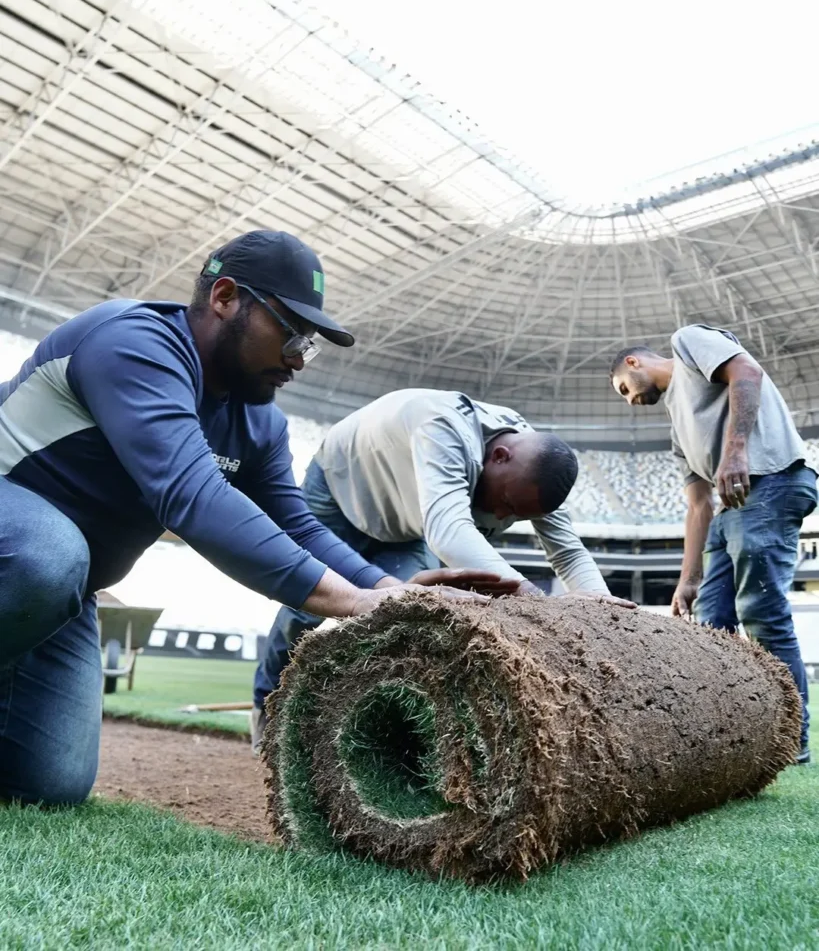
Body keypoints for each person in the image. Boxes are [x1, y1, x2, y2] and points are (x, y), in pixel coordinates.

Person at [0, 230, 492, 806]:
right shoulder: (133, 341)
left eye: (309, 344)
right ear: (225, 297)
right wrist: (355, 603)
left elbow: (299, 527)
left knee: (49, 786)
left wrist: (392, 590)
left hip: (65, 590)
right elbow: (193, 498)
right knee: (50, 555)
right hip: (33, 559)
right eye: (291, 332)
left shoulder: (261, 424)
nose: (298, 360)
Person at [253, 387, 633, 746]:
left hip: (405, 525)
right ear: (499, 455)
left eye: (516, 515)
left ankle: (373, 727)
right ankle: (265, 706)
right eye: (506, 502)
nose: (501, 516)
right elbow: (448, 532)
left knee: (402, 612)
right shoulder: (442, 425)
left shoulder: (538, 469)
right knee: (304, 610)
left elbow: (567, 551)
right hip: (339, 491)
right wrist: (533, 601)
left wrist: (597, 605)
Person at [610, 324, 816, 764]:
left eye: (624, 388)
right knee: (710, 626)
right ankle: (730, 736)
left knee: (762, 612)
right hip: (729, 509)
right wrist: (688, 578)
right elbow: (699, 505)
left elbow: (747, 371)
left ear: (634, 362)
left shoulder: (687, 343)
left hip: (772, 481)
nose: (629, 400)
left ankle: (790, 740)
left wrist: (736, 451)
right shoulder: (676, 426)